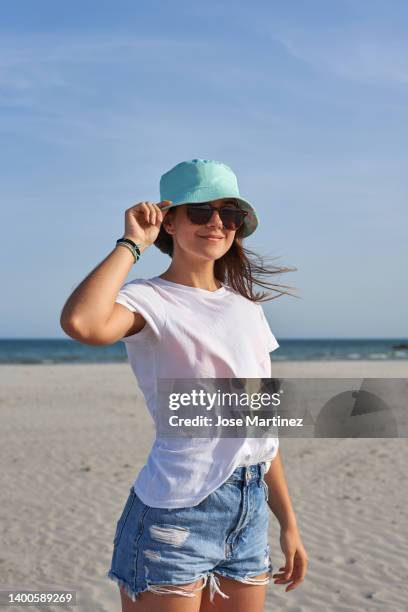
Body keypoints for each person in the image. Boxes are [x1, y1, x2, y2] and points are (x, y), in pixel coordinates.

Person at [60, 159, 308, 611]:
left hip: (249, 512)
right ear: (168, 220)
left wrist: (287, 521)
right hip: (175, 512)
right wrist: (132, 243)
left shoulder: (246, 310)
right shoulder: (147, 299)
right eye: (200, 212)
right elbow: (83, 323)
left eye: (229, 214)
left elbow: (260, 426)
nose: (217, 224)